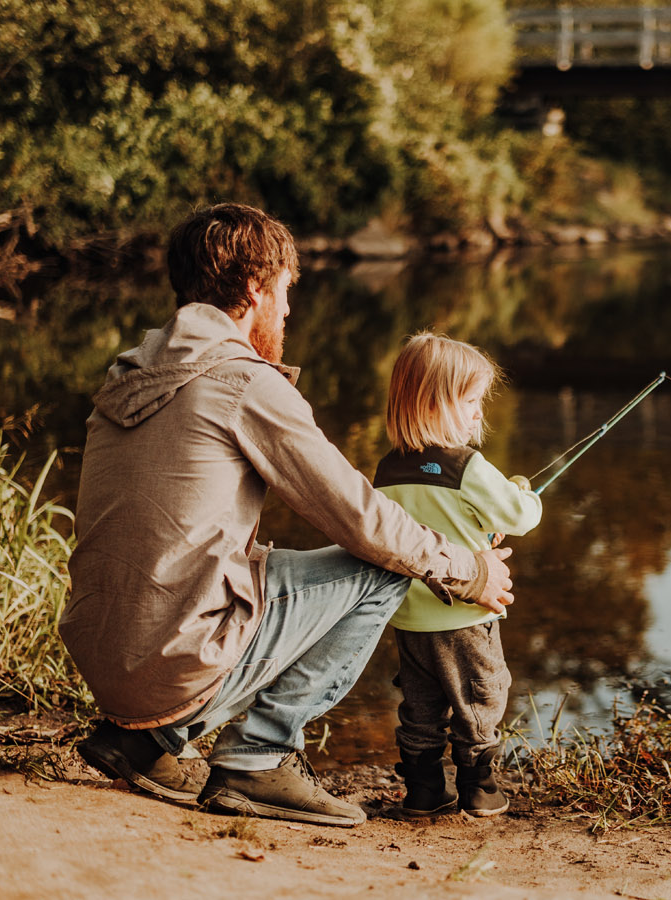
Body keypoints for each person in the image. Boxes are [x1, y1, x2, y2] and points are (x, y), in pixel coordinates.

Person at [60, 203, 514, 828]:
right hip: (170, 661)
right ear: (254, 291)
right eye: (285, 292)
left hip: (103, 655)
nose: (290, 311)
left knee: (263, 558)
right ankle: (259, 756)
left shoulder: (131, 372)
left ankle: (143, 741)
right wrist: (468, 570)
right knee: (387, 565)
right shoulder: (243, 383)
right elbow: (364, 522)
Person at [373, 333, 542, 817]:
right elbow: (520, 517)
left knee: (421, 705)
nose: (477, 413)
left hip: (408, 618)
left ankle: (424, 790)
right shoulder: (466, 467)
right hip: (466, 616)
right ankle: (479, 787)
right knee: (481, 696)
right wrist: (524, 490)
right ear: (436, 404)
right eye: (470, 401)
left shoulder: (387, 469)